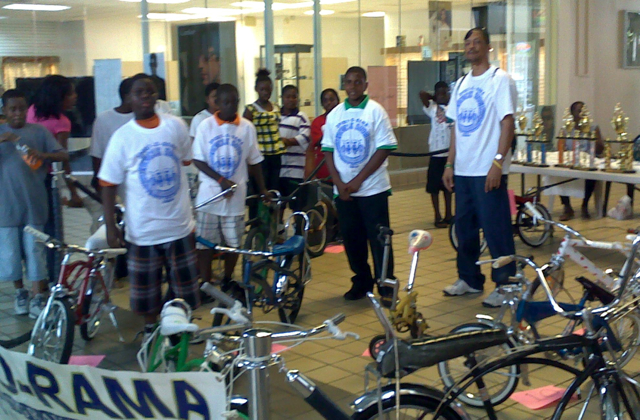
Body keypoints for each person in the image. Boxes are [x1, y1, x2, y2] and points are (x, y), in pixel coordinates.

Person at [99, 74, 200, 339]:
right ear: (129, 99)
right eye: (139, 92)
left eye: (150, 91)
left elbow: (186, 161)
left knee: (185, 288)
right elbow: (108, 184)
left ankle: (179, 330)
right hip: (143, 231)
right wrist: (110, 226)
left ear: (157, 96)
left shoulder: (175, 126)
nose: (145, 96)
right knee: (147, 292)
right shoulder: (122, 138)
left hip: (179, 226)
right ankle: (149, 329)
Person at [441, 27, 518, 308]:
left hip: (489, 170)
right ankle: (470, 279)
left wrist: (498, 162)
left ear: (488, 47)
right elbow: (456, 128)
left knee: (496, 228)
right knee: (465, 229)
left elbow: (507, 123)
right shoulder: (460, 84)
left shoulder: (500, 80)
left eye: (477, 42)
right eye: (468, 43)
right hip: (463, 169)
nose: (472, 46)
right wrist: (449, 163)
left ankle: (506, 284)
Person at [321, 66, 398, 301]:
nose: (352, 87)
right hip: (343, 191)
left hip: (372, 189)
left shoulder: (376, 111)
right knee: (352, 241)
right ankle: (362, 281)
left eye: (357, 82)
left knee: (379, 240)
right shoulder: (335, 114)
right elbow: (328, 150)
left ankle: (385, 286)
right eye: (349, 82)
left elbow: (384, 148)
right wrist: (338, 182)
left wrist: (357, 181)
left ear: (365, 85)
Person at [193, 83, 270, 291]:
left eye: (234, 102)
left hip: (235, 198)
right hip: (209, 198)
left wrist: (262, 189)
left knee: (233, 244)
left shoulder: (246, 127)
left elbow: (254, 161)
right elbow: (198, 160)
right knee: (205, 245)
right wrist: (220, 181)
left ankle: (227, 279)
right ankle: (206, 283)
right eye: (225, 102)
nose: (230, 106)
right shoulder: (205, 126)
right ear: (217, 103)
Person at [0, 89, 68, 318]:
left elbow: (59, 155)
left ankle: (38, 295)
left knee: (35, 251)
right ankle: (20, 293)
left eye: (21, 108)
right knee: (10, 255)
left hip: (34, 206)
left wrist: (31, 149)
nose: (17, 113)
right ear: (4, 111)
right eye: (12, 109)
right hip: (5, 208)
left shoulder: (38, 132)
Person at [27, 74, 81, 208]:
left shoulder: (32, 110)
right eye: (70, 93)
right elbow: (63, 158)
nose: (75, 96)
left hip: (26, 173)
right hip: (45, 176)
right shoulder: (62, 122)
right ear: (59, 96)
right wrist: (73, 192)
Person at [558, 101, 603, 220]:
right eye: (579, 111)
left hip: (587, 162)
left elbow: (600, 149)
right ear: (572, 114)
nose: (582, 114)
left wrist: (592, 136)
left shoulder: (593, 127)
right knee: (558, 174)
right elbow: (560, 148)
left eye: (584, 111)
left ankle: (585, 205)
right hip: (570, 162)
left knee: (591, 174)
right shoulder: (566, 129)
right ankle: (567, 207)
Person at [89, 77, 134, 193]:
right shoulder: (104, 119)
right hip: (115, 182)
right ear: (127, 96)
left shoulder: (146, 119)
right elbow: (97, 154)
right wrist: (100, 185)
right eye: (139, 92)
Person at [243, 69, 284, 192]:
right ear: (256, 89)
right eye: (262, 90)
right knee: (260, 188)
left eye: (268, 89)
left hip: (276, 153)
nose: (266, 92)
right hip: (260, 154)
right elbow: (245, 133)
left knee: (274, 187)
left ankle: (273, 210)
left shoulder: (276, 106)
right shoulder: (251, 109)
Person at [420, 81, 453, 228]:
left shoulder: (452, 108)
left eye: (445, 92)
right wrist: (435, 97)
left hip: (449, 153)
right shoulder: (432, 108)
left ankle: (448, 214)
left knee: (449, 187)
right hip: (435, 154)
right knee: (434, 187)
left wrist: (446, 98)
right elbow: (422, 94)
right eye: (439, 93)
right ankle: (437, 215)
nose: (442, 95)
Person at [279, 85, 311, 216]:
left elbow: (304, 137)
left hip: (295, 172)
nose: (291, 99)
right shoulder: (276, 115)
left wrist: (285, 141)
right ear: (282, 98)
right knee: (278, 206)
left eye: (294, 96)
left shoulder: (301, 117)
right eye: (288, 96)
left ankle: (298, 233)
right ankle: (278, 233)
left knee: (297, 206)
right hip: (279, 171)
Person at [305, 88, 340, 180]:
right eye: (325, 100)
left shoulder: (344, 119)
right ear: (322, 104)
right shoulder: (318, 122)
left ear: (338, 100)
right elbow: (319, 141)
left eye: (332, 99)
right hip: (324, 167)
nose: (329, 103)